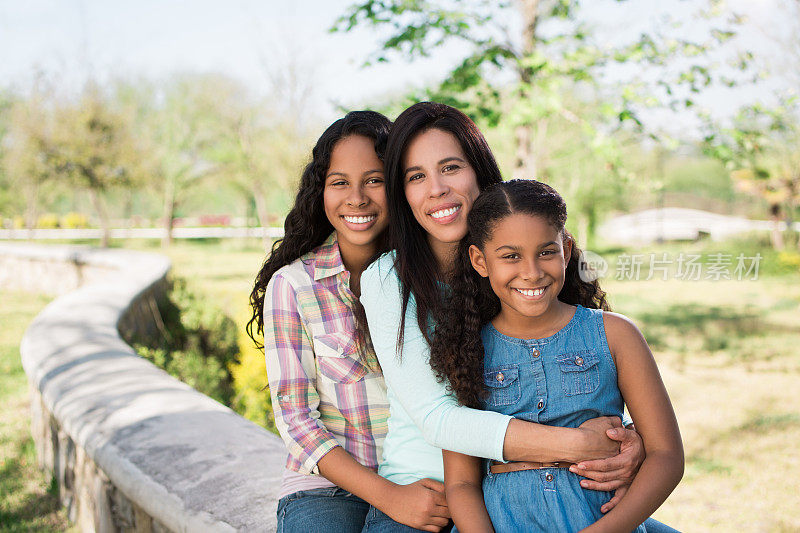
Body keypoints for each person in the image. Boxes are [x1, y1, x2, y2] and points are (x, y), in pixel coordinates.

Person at [359, 102, 675, 533]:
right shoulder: (388, 279)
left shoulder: (525, 256)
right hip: (426, 497)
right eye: (417, 176)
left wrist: (632, 440)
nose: (436, 189)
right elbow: (440, 420)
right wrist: (580, 444)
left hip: (573, 502)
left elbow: (615, 390)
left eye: (450, 168)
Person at [431, 179, 684, 532]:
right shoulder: (466, 348)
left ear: (565, 250)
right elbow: (461, 483)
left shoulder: (615, 334)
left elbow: (666, 456)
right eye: (510, 256)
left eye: (546, 252)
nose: (532, 271)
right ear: (480, 260)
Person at [247, 111, 452, 532]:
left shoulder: (430, 277)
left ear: (396, 187)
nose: (357, 197)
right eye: (339, 182)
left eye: (374, 180)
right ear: (319, 192)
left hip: (416, 474)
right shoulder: (293, 285)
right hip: (324, 486)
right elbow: (297, 423)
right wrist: (390, 497)